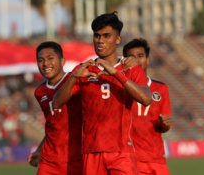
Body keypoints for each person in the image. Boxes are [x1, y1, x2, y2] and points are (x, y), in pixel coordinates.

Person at [52, 12, 152, 175]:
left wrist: (115, 73)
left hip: (122, 153)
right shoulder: (83, 69)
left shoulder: (130, 68)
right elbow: (56, 104)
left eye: (107, 36)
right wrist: (74, 76)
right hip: (91, 153)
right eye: (97, 36)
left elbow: (146, 99)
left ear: (118, 40)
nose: (100, 41)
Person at [27, 41, 83, 175]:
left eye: (50, 58)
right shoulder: (40, 92)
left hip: (77, 158)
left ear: (62, 61)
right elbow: (53, 124)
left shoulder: (78, 80)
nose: (45, 64)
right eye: (41, 60)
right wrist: (40, 149)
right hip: (49, 160)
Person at [123, 38, 172, 175]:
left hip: (156, 159)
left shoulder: (161, 89)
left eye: (140, 56)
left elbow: (164, 126)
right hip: (129, 159)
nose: (137, 60)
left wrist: (165, 124)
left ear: (148, 60)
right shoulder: (120, 88)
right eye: (131, 57)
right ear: (124, 61)